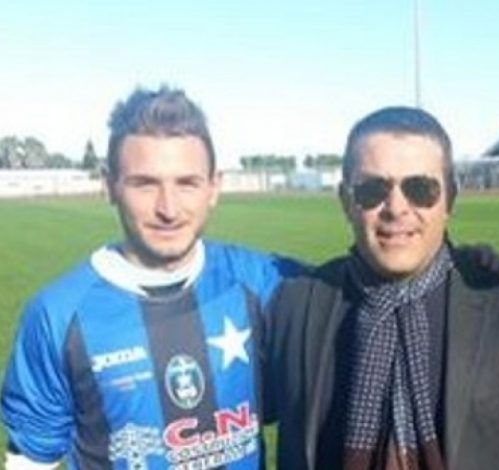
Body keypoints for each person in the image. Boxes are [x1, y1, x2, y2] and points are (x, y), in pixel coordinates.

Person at [1, 86, 300, 469]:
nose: (168, 209)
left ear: (214, 187)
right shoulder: (57, 315)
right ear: (109, 186)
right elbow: (31, 460)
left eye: (187, 183)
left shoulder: (263, 282)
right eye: (145, 184)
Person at [263, 106, 499, 469]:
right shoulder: (294, 304)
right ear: (346, 201)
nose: (396, 208)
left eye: (420, 189)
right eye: (372, 190)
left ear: (450, 199)